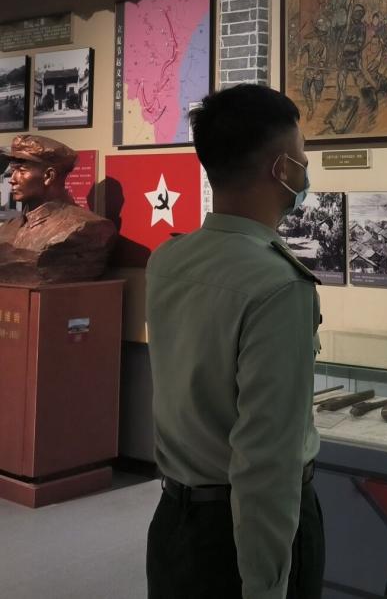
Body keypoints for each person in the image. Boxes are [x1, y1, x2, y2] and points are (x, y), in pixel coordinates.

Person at [145, 85, 324, 599]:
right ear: (282, 169)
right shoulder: (278, 286)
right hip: (240, 535)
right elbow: (266, 459)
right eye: (302, 157)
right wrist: (266, 583)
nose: (305, 170)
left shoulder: (168, 260)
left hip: (175, 520)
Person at [0, 134, 116, 284]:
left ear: (48, 176)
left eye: (21, 171)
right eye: (12, 171)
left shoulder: (86, 227)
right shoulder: (8, 228)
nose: (12, 179)